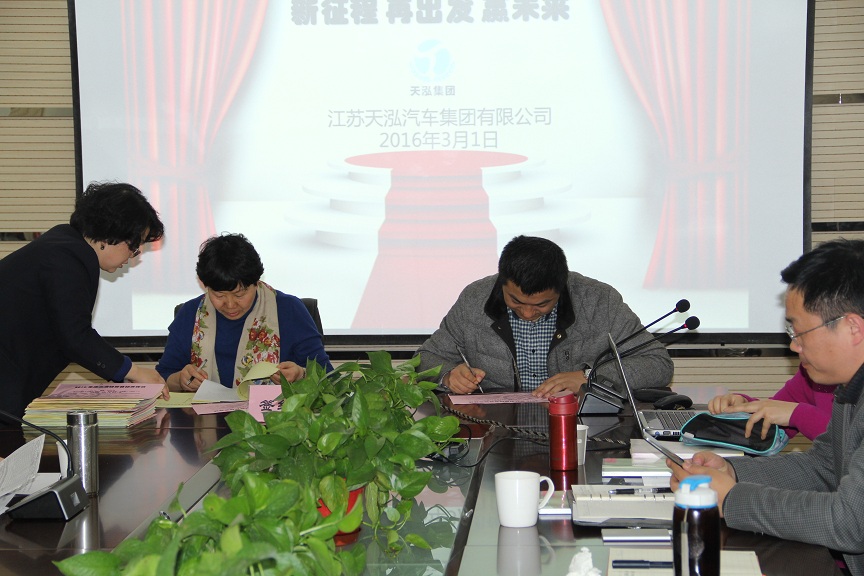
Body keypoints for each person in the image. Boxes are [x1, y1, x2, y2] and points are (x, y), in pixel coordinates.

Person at [669, 238, 864, 576]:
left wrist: (732, 498)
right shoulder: (852, 387)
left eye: (799, 331)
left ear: (852, 328)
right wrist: (732, 473)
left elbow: (849, 523)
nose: (794, 345)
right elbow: (824, 467)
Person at [416, 235, 674, 397]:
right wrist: (449, 375)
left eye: (542, 304)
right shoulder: (475, 299)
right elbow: (424, 359)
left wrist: (590, 377)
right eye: (516, 302)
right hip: (494, 426)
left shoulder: (599, 301)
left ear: (561, 288)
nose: (528, 313)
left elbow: (657, 364)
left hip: (578, 424)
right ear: (501, 283)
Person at [0, 181, 167, 420]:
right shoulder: (67, 258)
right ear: (111, 235)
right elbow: (75, 336)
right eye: (134, 246)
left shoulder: (64, 246)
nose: (132, 256)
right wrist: (134, 371)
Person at [156, 233, 332, 391]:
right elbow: (163, 376)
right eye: (219, 295)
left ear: (256, 282)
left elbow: (328, 377)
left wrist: (301, 374)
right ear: (204, 285)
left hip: (274, 416)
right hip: (206, 416)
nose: (230, 304)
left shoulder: (289, 310)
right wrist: (180, 379)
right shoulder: (190, 314)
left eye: (239, 295)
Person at [708, 365, 837, 441]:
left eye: (803, 335)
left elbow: (848, 445)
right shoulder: (810, 371)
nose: (793, 346)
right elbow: (772, 422)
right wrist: (745, 407)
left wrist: (800, 414)